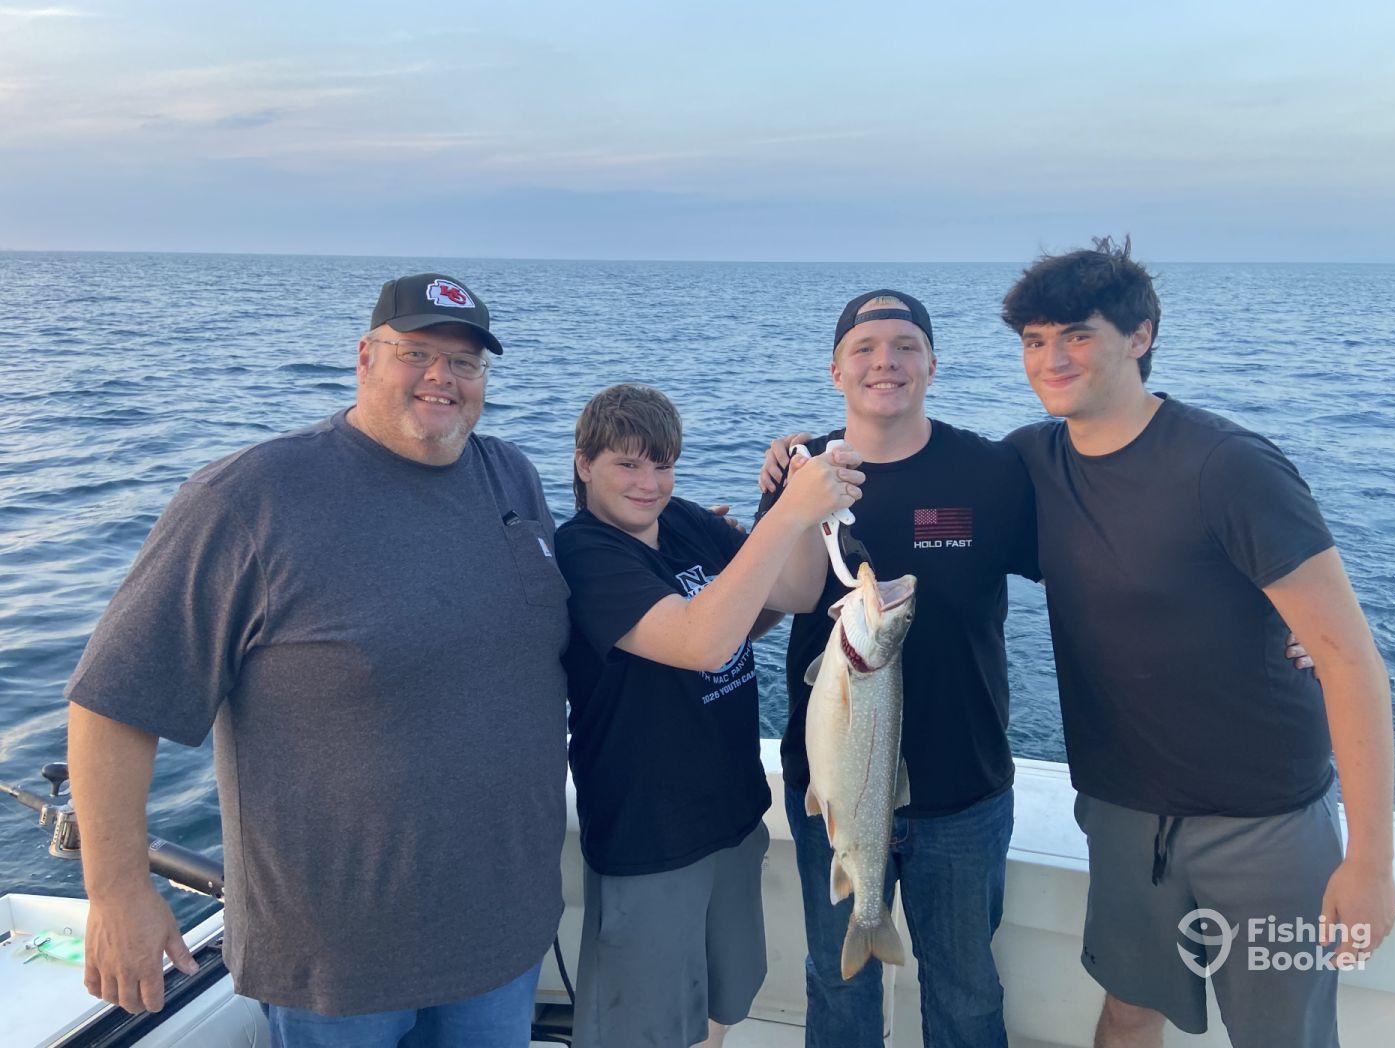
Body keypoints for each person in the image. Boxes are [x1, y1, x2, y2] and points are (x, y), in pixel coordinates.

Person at [63, 273, 571, 1048]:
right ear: (365, 357)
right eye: (417, 353)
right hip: (338, 968)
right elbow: (113, 701)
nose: (443, 377)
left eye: (466, 363)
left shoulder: (511, 475)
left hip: (500, 939)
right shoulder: (249, 499)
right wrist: (119, 890)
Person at [1000, 238, 1395, 1048]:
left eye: (1076, 334)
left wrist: (1371, 864)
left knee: (1281, 1037)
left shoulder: (1229, 467)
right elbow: (919, 496)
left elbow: (1350, 659)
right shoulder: (1028, 463)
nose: (1050, 359)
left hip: (1266, 825)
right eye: (1034, 341)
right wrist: (802, 456)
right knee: (1126, 1012)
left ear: (1139, 336)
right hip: (1122, 815)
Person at [757, 292, 1042, 1048]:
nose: (886, 361)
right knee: (838, 984)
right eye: (866, 347)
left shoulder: (990, 472)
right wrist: (792, 501)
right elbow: (785, 597)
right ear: (836, 370)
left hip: (964, 789)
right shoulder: (802, 473)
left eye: (906, 345)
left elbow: (1089, 574)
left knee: (966, 990)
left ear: (933, 365)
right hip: (832, 785)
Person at [557, 383, 864, 1048]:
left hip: (730, 817)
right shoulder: (586, 552)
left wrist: (797, 504)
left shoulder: (686, 519)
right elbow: (701, 640)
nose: (649, 484)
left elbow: (799, 590)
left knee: (722, 1000)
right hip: (650, 837)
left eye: (662, 465)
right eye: (627, 465)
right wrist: (786, 519)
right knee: (646, 1029)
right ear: (583, 464)